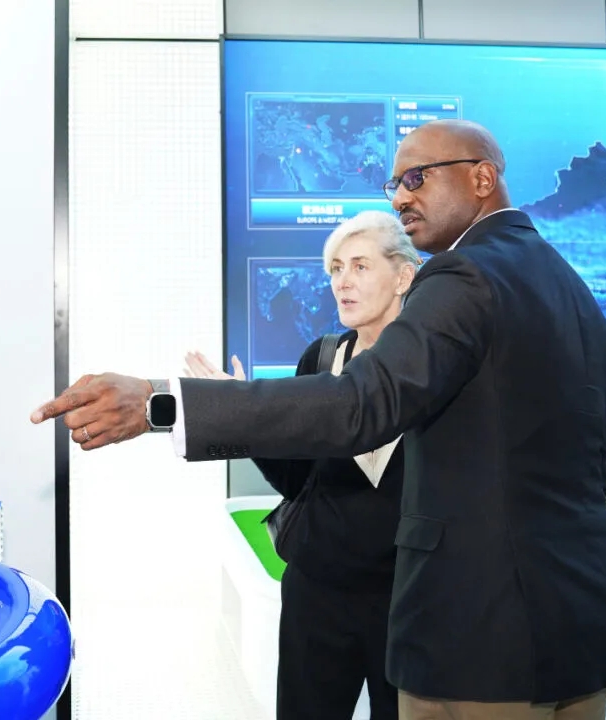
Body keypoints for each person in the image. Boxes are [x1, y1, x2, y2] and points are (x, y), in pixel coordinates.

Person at [31, 119, 606, 719]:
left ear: (482, 179)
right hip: (580, 627)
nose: (400, 198)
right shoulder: (566, 284)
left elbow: (357, 405)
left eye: (417, 178)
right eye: (395, 184)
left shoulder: (466, 274)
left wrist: (159, 401)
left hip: (488, 642)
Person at [184, 210, 419, 720]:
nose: (342, 282)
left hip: (407, 601)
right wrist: (243, 417)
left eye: (360, 266)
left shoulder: (433, 370)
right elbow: (296, 480)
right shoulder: (320, 358)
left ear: (404, 276)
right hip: (317, 594)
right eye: (336, 269)